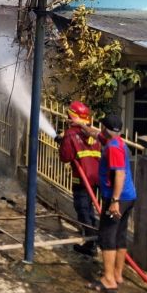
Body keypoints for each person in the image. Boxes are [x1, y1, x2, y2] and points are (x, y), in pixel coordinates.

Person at [78, 113, 137, 293]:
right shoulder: (117, 142)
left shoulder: (113, 149)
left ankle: (108, 280)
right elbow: (96, 134)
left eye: (102, 126)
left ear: (106, 128)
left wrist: (114, 201)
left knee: (106, 236)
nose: (100, 128)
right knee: (119, 235)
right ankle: (117, 275)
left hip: (118, 198)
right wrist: (81, 125)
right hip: (129, 197)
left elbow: (119, 174)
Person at [56, 101, 101, 256]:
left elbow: (65, 157)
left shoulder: (70, 134)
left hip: (82, 179)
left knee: (82, 209)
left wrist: (61, 144)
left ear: (72, 116)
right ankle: (93, 235)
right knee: (89, 207)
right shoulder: (93, 132)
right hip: (96, 178)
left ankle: (91, 242)